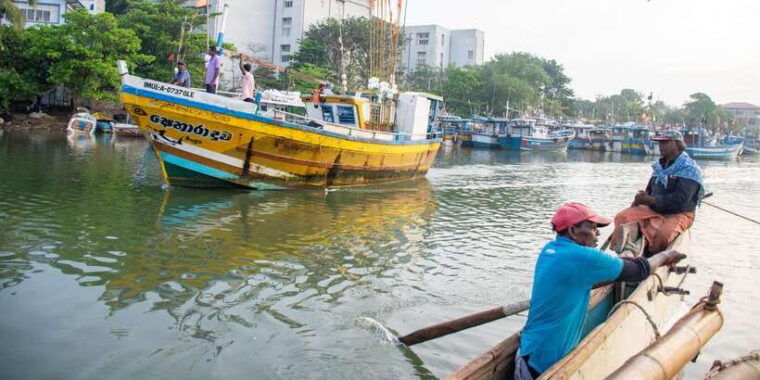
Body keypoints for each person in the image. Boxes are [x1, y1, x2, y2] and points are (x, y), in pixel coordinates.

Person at [515, 202, 686, 380]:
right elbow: (639, 271)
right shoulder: (583, 257)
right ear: (573, 231)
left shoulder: (550, 250)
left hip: (528, 351)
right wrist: (665, 256)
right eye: (593, 228)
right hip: (541, 365)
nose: (597, 234)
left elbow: (619, 267)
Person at [610, 130, 704, 254]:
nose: (660, 146)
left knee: (662, 235)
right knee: (622, 217)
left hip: (680, 213)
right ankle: (621, 255)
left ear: (677, 144)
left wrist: (651, 200)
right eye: (659, 143)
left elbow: (681, 200)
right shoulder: (659, 167)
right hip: (654, 209)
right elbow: (650, 190)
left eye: (665, 143)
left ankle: (652, 259)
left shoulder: (689, 169)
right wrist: (641, 199)